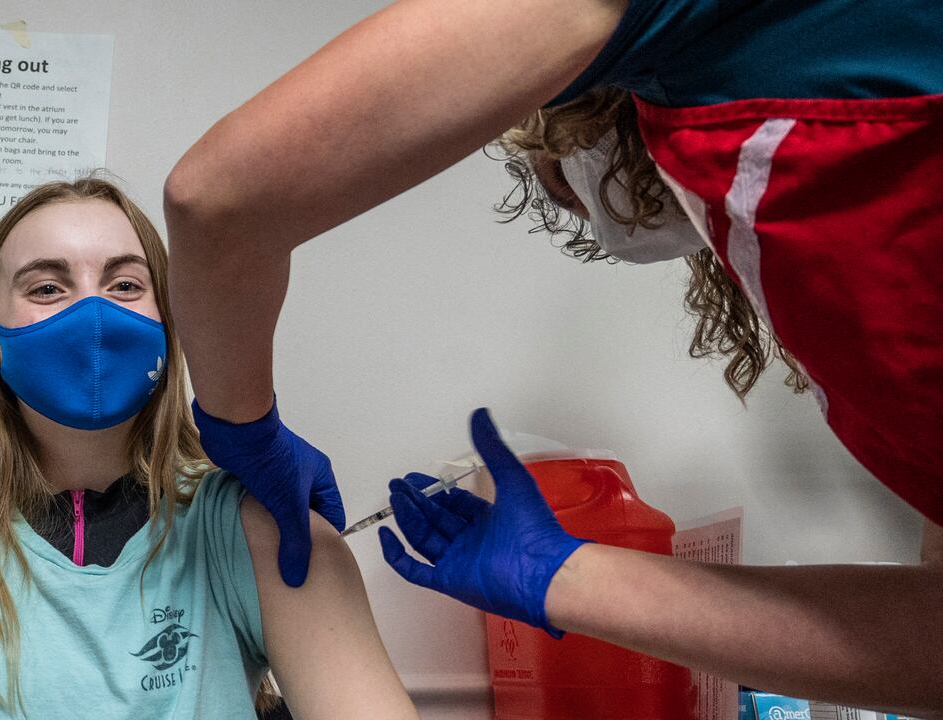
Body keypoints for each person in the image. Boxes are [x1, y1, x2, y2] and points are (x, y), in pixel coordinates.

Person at [161, 0, 943, 715]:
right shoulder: (807, 246)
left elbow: (218, 199)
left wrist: (243, 425)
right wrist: (566, 576)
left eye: (131, 282)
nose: (567, 194)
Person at [0, 176, 419, 720]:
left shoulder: (252, 527)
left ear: (171, 323)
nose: (93, 313)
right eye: (47, 289)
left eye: (124, 285)